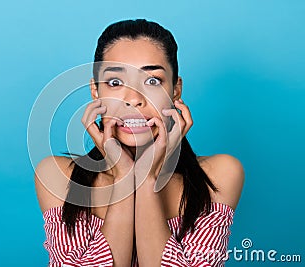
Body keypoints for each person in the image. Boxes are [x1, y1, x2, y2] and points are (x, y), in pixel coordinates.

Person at [35, 19, 244, 266]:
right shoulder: (58, 176)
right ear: (95, 91)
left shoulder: (220, 174)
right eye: (115, 82)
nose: (133, 99)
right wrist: (125, 176)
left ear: (175, 90)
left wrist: (147, 179)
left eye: (152, 81)